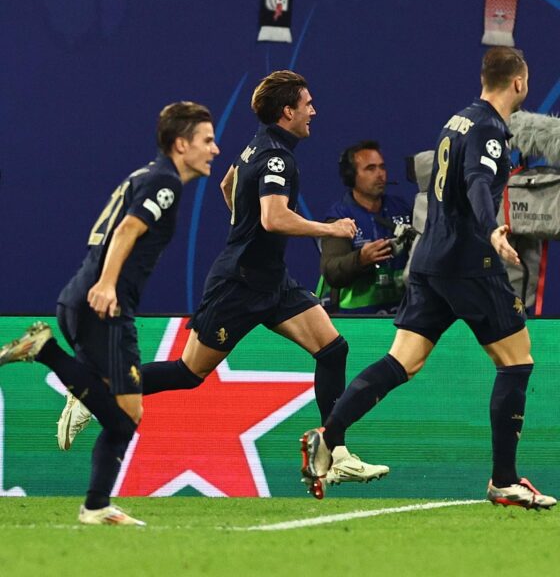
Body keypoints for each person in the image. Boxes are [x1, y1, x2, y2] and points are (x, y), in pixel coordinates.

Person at [56, 70, 389, 487]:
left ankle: (333, 451)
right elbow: (273, 217)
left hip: (271, 280)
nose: (313, 111)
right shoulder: (275, 157)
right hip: (239, 285)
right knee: (188, 374)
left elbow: (229, 184)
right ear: (288, 111)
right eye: (307, 104)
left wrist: (242, 228)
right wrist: (332, 229)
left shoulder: (260, 143)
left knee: (333, 349)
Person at [300, 47, 557, 509]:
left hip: (429, 260)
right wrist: (492, 229)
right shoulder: (490, 130)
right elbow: (479, 184)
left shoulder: (456, 121)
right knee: (517, 362)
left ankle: (327, 435)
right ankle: (504, 479)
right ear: (519, 82)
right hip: (467, 262)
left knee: (403, 362)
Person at [0, 101, 220, 525]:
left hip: (88, 299)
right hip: (103, 304)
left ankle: (97, 506)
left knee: (126, 418)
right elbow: (127, 230)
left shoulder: (146, 175)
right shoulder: (165, 183)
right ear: (181, 144)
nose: (215, 148)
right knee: (124, 419)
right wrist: (107, 284)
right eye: (207, 140)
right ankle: (46, 352)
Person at [317, 140, 413, 314]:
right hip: (358, 320)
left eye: (382, 167)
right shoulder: (339, 218)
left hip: (403, 315)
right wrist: (360, 259)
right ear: (350, 175)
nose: (380, 175)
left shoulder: (403, 209)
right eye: (370, 169)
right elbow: (331, 272)